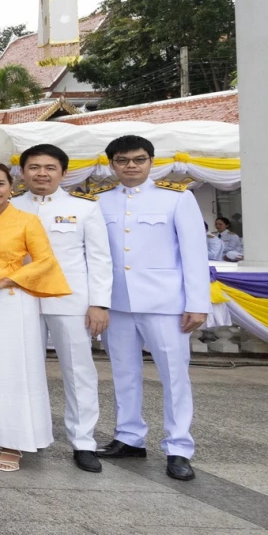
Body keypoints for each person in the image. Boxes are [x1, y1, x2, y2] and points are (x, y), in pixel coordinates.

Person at [95, 134, 211, 481]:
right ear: (112, 164)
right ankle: (129, 437)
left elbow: (194, 255)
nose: (131, 166)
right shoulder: (99, 202)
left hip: (165, 303)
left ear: (151, 162)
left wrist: (197, 303)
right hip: (117, 302)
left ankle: (178, 447)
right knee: (124, 373)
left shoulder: (177, 199)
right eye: (123, 160)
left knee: (174, 376)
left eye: (139, 159)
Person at [0, 162, 72, 473]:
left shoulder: (26, 220)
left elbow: (45, 261)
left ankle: (14, 442)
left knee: (14, 373)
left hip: (12, 301)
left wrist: (2, 281)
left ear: (11, 187)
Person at [14, 144, 113, 473]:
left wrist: (99, 303)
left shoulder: (84, 208)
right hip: (20, 300)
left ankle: (83, 442)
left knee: (78, 372)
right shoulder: (10, 207)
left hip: (68, 300)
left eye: (49, 167)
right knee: (23, 371)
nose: (41, 173)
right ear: (22, 171)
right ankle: (25, 435)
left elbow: (99, 259)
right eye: (34, 167)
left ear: (63, 172)